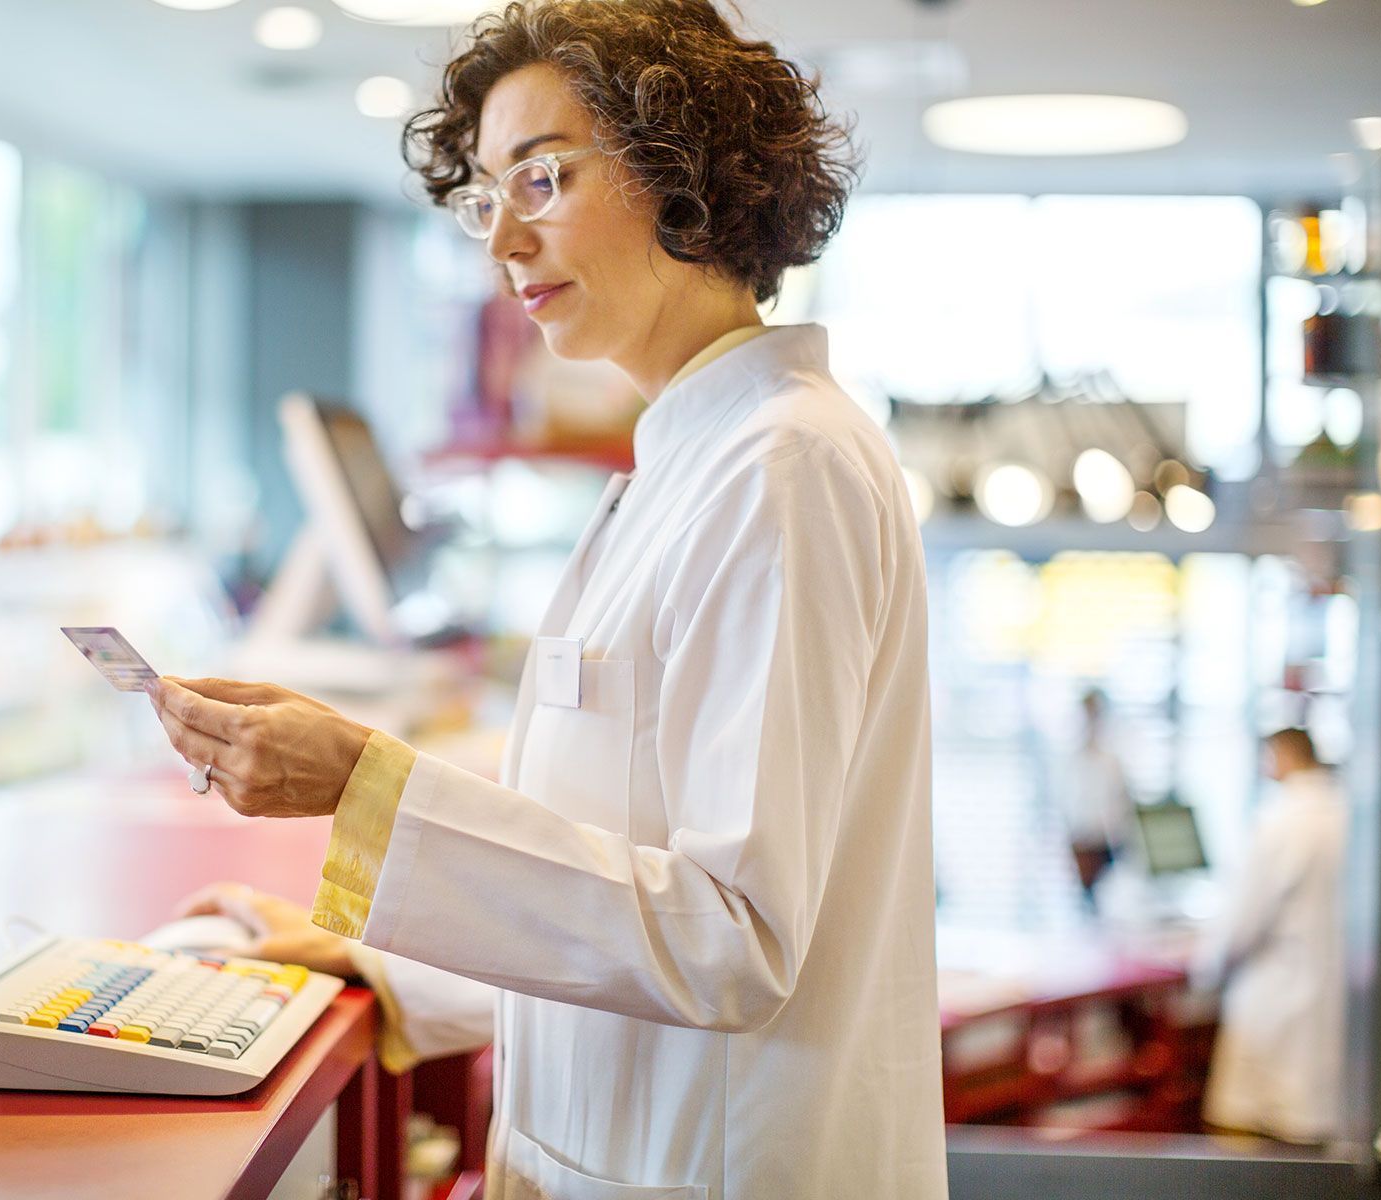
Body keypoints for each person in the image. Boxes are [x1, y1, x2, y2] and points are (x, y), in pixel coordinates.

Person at [149, 2, 947, 1195]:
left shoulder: (785, 467)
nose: (502, 245)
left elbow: (733, 940)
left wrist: (366, 785)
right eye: (487, 197)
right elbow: (610, 886)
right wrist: (389, 969)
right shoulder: (689, 460)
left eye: (543, 178)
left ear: (686, 169)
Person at [1198, 727, 1347, 1144]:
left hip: (1276, 996)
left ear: (1280, 755)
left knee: (1253, 1131)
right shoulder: (1349, 812)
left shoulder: (1279, 819)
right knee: (1313, 1131)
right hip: (1333, 998)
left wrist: (1206, 969)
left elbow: (1242, 922)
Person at [1064, 688, 1132, 898]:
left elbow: (1120, 807)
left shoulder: (1113, 761)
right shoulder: (1071, 761)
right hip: (1080, 841)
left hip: (1108, 844)